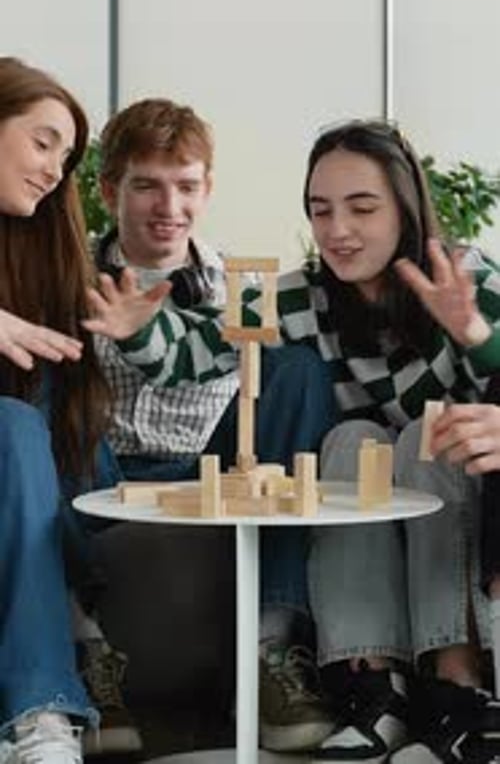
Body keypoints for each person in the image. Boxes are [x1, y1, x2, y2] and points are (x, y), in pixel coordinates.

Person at [85, 119, 500, 762]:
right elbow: (202, 350)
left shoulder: (462, 274)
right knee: (350, 439)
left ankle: (456, 682)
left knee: (427, 430)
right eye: (320, 210)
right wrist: (141, 332)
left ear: (406, 208)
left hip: (460, 486)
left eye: (362, 208)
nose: (338, 230)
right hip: (368, 492)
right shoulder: (307, 298)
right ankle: (372, 685)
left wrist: (476, 334)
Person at [86, 97, 337, 753]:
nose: (169, 206)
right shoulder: (69, 271)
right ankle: (86, 662)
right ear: (111, 188)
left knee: (295, 368)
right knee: (52, 400)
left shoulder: (241, 285)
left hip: (207, 469)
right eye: (147, 185)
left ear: (207, 188)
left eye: (186, 185)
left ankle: (271, 648)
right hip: (98, 467)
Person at [0, 56, 118, 764]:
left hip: (23, 474)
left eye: (65, 156)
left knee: (61, 403)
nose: (53, 169)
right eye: (41, 141)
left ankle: (74, 627)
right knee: (20, 422)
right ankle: (41, 707)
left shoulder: (42, 245)